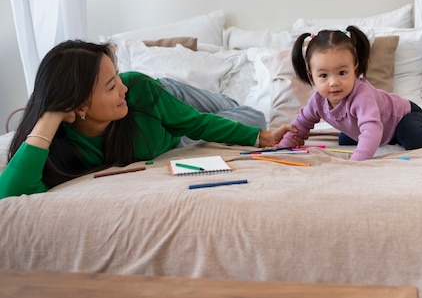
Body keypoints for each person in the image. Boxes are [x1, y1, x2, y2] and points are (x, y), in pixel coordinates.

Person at [0, 40, 298, 199]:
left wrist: (261, 137)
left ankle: (229, 102)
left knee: (252, 115)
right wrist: (50, 117)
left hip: (167, 97)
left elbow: (197, 123)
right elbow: (9, 193)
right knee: (192, 135)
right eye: (111, 85)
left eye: (117, 76)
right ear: (78, 106)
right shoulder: (59, 145)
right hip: (173, 136)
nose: (122, 87)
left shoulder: (136, 90)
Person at [278, 26, 422, 172]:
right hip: (377, 127)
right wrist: (285, 147)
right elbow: (301, 124)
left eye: (341, 73)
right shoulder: (318, 101)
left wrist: (355, 164)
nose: (333, 83)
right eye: (324, 76)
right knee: (344, 139)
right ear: (311, 75)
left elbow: (372, 130)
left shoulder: (361, 96)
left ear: (355, 70)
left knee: (413, 139)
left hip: (403, 117)